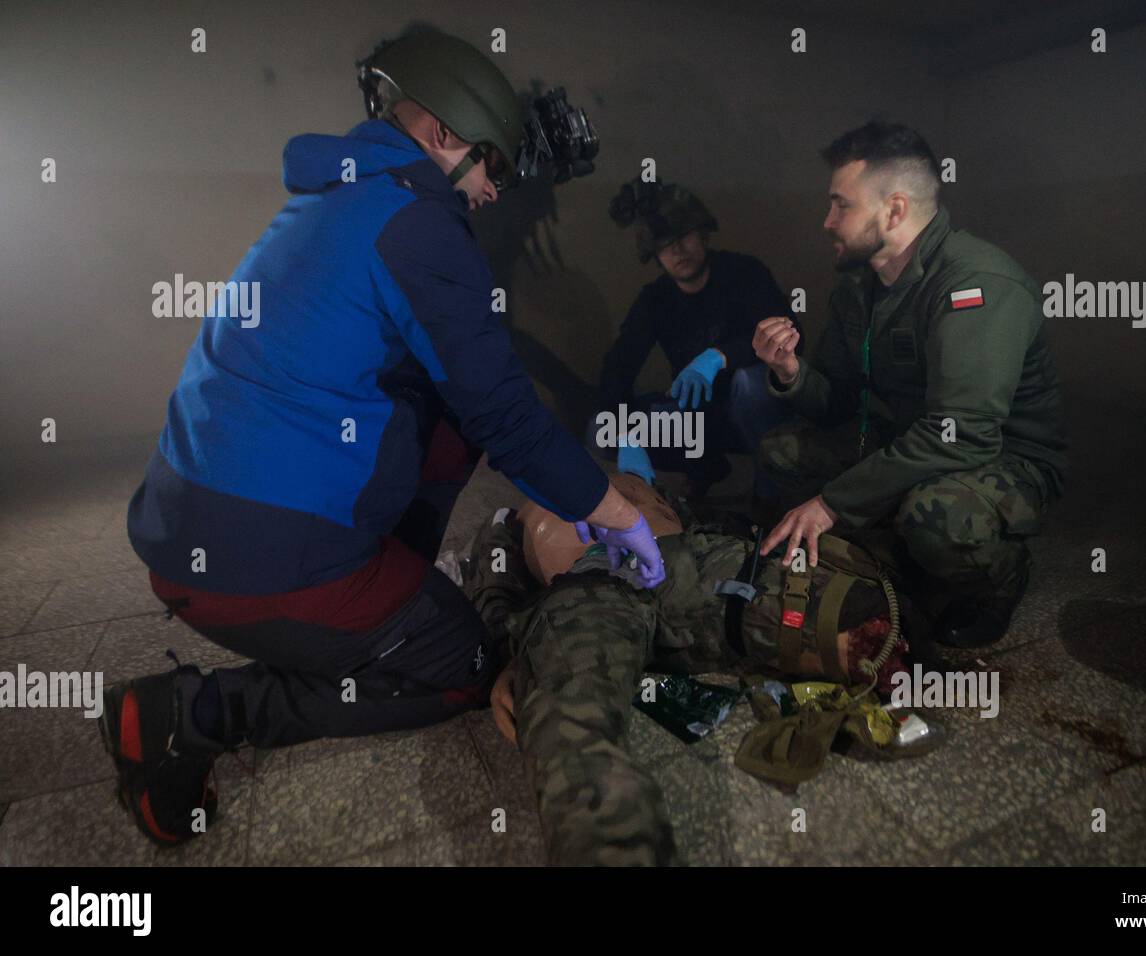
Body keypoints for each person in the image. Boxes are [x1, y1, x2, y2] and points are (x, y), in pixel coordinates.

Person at [100, 26, 665, 848]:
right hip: (252, 556)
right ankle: (197, 714)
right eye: (492, 165)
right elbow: (506, 414)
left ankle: (383, 590)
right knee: (462, 670)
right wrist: (614, 511)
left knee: (443, 419)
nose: (496, 190)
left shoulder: (337, 196)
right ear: (441, 134)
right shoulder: (419, 226)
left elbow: (467, 403)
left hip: (192, 520)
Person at [458, 473, 918, 865]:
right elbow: (495, 589)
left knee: (861, 617)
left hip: (676, 562)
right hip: (587, 586)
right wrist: (512, 657)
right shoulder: (514, 514)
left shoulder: (641, 485)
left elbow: (720, 528)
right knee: (570, 727)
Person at [753, 120, 1068, 649]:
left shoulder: (976, 283)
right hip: (908, 438)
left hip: (999, 455)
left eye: (840, 205)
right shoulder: (861, 285)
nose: (826, 221)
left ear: (894, 210)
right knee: (781, 452)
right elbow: (835, 400)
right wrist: (790, 371)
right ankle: (893, 554)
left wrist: (832, 503)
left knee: (936, 518)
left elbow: (962, 434)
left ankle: (1000, 581)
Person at [591, 180, 795, 497]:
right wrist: (625, 437)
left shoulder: (743, 273)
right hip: (698, 419)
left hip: (753, 413)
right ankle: (706, 467)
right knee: (601, 430)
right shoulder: (655, 299)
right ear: (655, 256)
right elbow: (617, 369)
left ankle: (772, 491)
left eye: (683, 236)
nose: (677, 250)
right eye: (664, 245)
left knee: (748, 383)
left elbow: (791, 333)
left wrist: (720, 357)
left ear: (702, 234)